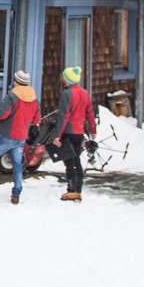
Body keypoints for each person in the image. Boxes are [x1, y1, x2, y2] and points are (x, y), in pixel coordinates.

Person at [0, 70, 41, 204]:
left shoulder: (12, 96)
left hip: (7, 135)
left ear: (17, 81)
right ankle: (17, 192)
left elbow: (1, 114)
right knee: (17, 165)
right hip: (21, 137)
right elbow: (36, 118)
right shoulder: (34, 99)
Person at [53, 66, 98, 202]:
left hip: (68, 132)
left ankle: (73, 190)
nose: (62, 78)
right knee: (76, 160)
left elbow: (64, 116)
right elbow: (90, 113)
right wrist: (93, 130)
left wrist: (57, 135)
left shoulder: (67, 94)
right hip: (79, 132)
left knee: (70, 162)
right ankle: (77, 188)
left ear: (67, 79)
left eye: (63, 76)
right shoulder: (84, 93)